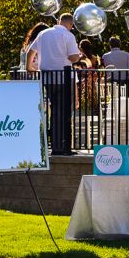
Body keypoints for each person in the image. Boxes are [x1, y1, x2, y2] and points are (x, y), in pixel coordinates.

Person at [31, 14, 83, 155]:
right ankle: (64, 147)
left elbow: (31, 51)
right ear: (70, 25)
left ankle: (55, 145)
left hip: (47, 78)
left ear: (59, 21)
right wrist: (78, 56)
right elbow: (73, 57)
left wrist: (30, 67)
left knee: (54, 112)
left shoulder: (43, 33)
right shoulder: (68, 35)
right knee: (65, 113)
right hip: (64, 78)